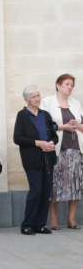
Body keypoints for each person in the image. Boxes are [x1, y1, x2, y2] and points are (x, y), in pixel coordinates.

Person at [40, 74, 83, 230]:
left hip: (76, 150)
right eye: (67, 84)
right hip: (57, 150)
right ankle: (53, 220)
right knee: (55, 184)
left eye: (72, 85)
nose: (69, 87)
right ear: (58, 85)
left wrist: (77, 126)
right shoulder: (47, 102)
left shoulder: (76, 103)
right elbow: (43, 126)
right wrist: (63, 127)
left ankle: (71, 220)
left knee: (76, 185)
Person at [13, 85, 58, 235]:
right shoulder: (22, 115)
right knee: (36, 190)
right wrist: (38, 143)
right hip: (32, 160)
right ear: (26, 99)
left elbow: (54, 135)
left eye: (38, 95)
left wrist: (52, 143)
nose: (37, 99)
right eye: (33, 97)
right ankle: (27, 224)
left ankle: (40, 225)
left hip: (48, 158)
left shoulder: (45, 115)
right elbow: (17, 138)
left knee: (46, 191)